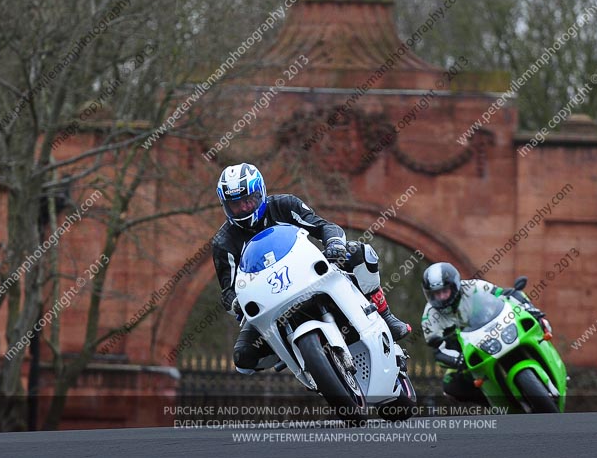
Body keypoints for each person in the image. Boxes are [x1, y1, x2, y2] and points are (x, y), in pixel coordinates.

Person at [212, 162, 411, 373]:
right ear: (225, 206)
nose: (243, 208)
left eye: (248, 200)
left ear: (260, 193)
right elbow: (228, 291)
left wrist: (334, 243)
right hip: (269, 300)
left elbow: (325, 227)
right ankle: (289, 355)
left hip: (308, 274)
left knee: (359, 252)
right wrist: (237, 304)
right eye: (236, 204)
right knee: (243, 359)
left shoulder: (284, 205)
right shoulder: (223, 243)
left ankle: (385, 315)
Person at [420, 262, 551, 404]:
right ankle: (495, 405)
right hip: (468, 353)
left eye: (445, 291)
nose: (441, 297)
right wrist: (457, 360)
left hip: (497, 330)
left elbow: (505, 295)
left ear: (455, 285)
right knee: (450, 384)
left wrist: (529, 308)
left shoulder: (474, 287)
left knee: (535, 325)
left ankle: (548, 363)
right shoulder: (429, 316)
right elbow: (437, 350)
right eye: (436, 294)